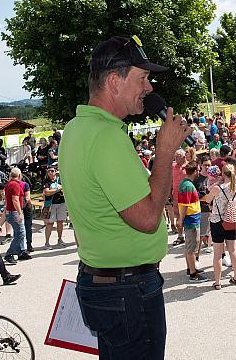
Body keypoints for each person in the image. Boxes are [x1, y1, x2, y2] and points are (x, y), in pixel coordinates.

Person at [59, 35, 190, 359]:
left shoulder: (77, 128)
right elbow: (146, 219)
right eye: (143, 78)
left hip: (106, 283)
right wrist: (164, 153)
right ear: (115, 81)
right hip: (126, 290)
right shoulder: (105, 137)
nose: (149, 88)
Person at [205, 163, 236, 289]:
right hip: (231, 220)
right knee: (233, 249)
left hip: (217, 221)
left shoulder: (218, 188)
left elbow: (207, 200)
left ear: (222, 173)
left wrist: (215, 184)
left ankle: (217, 281)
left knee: (217, 253)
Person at [176, 162, 208, 282]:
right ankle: (193, 274)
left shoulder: (186, 184)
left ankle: (191, 268)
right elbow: (185, 205)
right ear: (194, 171)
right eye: (198, 170)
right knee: (192, 247)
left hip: (191, 218)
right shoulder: (188, 186)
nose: (199, 172)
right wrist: (181, 219)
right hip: (191, 219)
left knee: (189, 245)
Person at [3, 168, 31, 265]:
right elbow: (15, 200)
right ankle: (9, 253)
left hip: (10, 211)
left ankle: (20, 252)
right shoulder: (15, 185)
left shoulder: (9, 184)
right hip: (14, 212)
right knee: (20, 233)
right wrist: (19, 213)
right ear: (20, 176)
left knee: (18, 232)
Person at [42, 168, 67, 249]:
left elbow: (65, 189)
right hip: (50, 205)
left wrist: (54, 190)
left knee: (60, 222)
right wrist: (58, 189)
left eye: (52, 171)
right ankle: (47, 243)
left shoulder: (61, 179)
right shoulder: (46, 181)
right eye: (48, 171)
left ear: (56, 171)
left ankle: (60, 240)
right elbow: (47, 192)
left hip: (61, 203)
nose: (50, 172)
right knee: (49, 223)